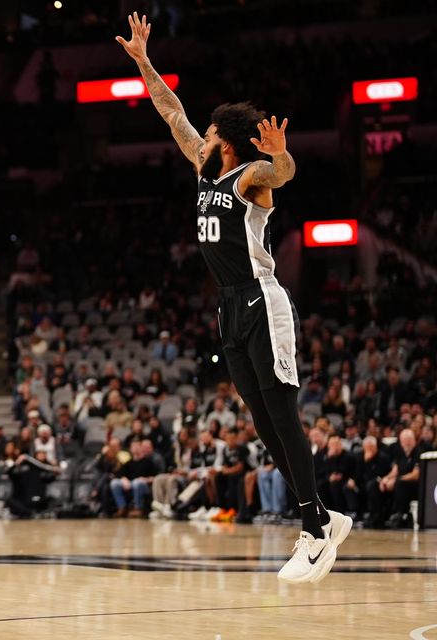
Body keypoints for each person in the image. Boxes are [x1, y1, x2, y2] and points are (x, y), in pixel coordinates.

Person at [117, 12, 350, 584]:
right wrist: (144, 61)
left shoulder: (249, 178)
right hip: (228, 304)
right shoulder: (205, 169)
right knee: (263, 421)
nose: (204, 138)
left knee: (283, 414)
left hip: (262, 299)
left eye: (213, 134)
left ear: (227, 140)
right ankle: (322, 516)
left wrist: (283, 152)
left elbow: (287, 172)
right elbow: (171, 110)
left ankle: (314, 532)